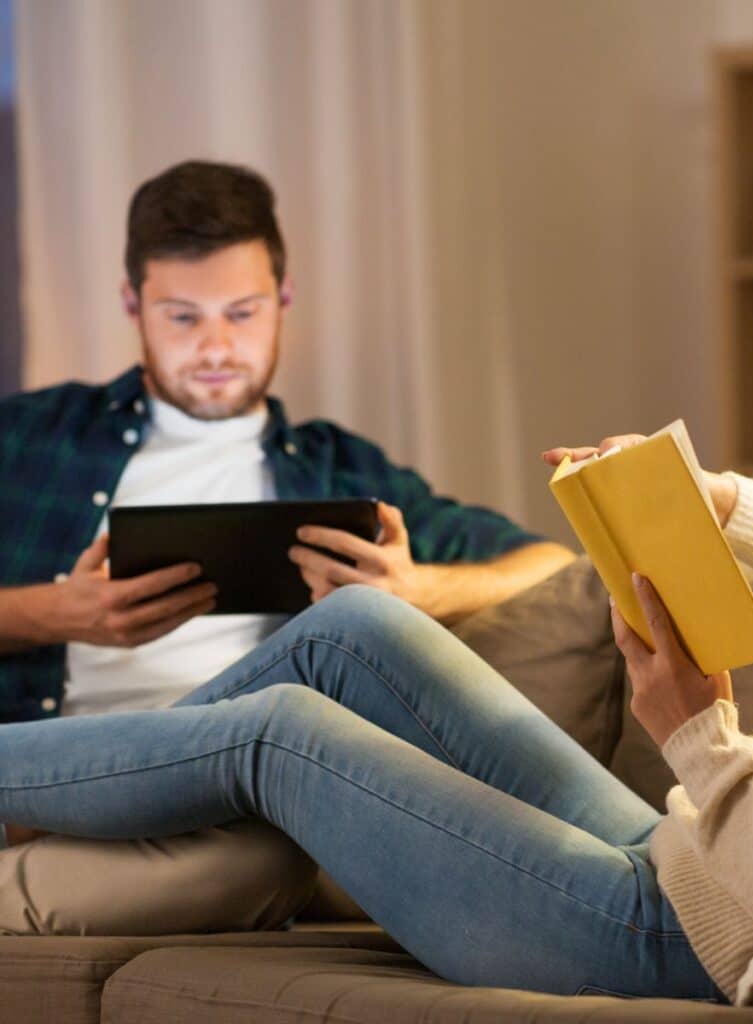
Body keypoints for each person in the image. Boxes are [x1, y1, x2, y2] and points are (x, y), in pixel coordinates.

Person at [0, 266, 753, 1003]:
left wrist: (697, 733)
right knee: (353, 624)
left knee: (280, 735)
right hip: (670, 851)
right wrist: (702, 497)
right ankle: (63, 800)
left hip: (675, 935)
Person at [0, 159, 572, 934]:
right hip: (47, 766)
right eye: (182, 317)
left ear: (284, 300)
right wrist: (52, 614)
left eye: (242, 313)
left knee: (271, 852)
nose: (214, 346)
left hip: (223, 800)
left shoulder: (337, 469)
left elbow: (552, 565)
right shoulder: (30, 439)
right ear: (132, 305)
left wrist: (414, 595)